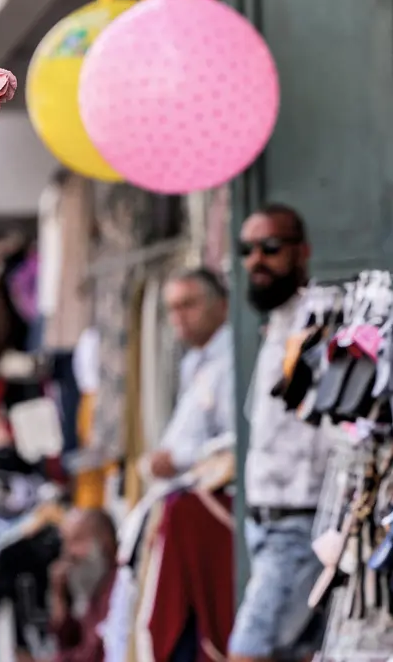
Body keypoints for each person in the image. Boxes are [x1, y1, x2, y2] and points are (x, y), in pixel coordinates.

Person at [229, 204, 328, 662]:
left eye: (270, 247)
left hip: (299, 522)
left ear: (301, 252)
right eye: (247, 249)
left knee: (248, 651)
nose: (256, 261)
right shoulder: (276, 328)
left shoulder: (324, 324)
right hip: (264, 525)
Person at [144, 268, 235, 479]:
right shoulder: (193, 361)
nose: (178, 317)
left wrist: (177, 459)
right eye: (172, 309)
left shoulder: (231, 360)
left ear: (222, 305)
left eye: (188, 305)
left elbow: (233, 439)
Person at [49, 508, 118, 662]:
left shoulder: (116, 589)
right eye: (65, 542)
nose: (68, 553)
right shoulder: (96, 589)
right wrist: (58, 595)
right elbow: (67, 640)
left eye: (77, 540)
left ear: (104, 541)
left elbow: (94, 655)